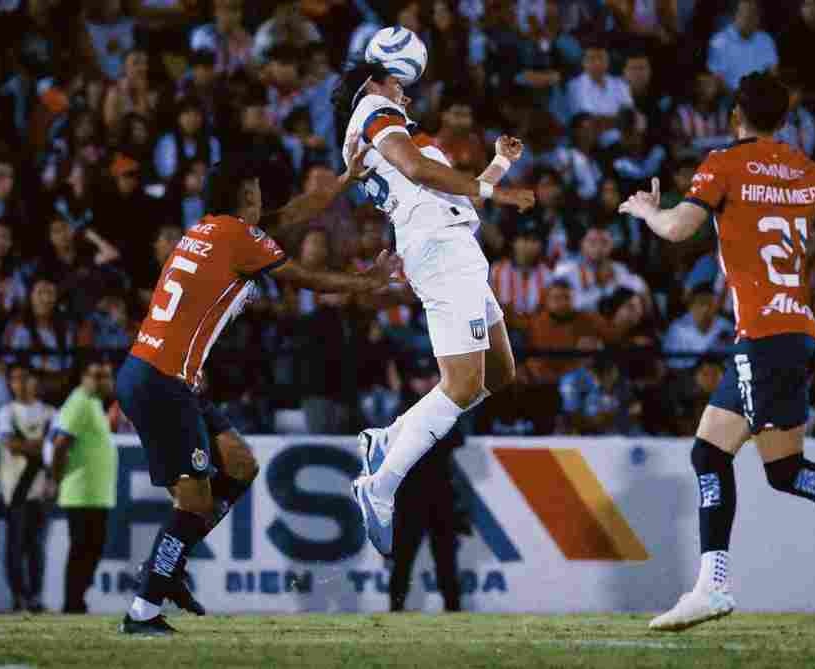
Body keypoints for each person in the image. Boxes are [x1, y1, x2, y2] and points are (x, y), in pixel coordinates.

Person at [618, 70, 815, 631]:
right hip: (798, 332)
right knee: (783, 470)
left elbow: (677, 229)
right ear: (786, 121)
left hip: (763, 337)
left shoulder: (722, 163)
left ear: (735, 115)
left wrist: (646, 211)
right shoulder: (807, 171)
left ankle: (713, 584)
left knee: (711, 456)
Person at [116, 141, 397, 635]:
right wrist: (367, 283)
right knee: (194, 503)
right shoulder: (237, 239)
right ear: (247, 194)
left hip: (162, 375)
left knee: (240, 466)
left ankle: (169, 565)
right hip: (162, 382)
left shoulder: (211, 231)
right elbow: (303, 278)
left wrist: (346, 180)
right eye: (259, 192)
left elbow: (290, 215)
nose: (265, 199)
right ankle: (143, 609)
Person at [331, 61, 535, 558]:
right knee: (462, 384)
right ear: (372, 86)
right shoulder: (376, 112)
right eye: (395, 81)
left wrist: (497, 166)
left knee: (500, 373)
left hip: (456, 246)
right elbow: (422, 172)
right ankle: (379, 487)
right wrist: (500, 191)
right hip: (442, 254)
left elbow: (453, 197)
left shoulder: (408, 139)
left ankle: (389, 436)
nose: (405, 90)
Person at [388, 356, 461, 613]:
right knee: (404, 557)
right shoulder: (404, 409)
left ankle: (453, 608)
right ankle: (395, 607)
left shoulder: (444, 407)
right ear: (412, 381)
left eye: (430, 376)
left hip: (440, 492)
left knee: (446, 558)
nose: (426, 382)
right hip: (412, 494)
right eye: (421, 377)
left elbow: (455, 439)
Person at [48, 361, 117, 614]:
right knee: (82, 550)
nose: (103, 381)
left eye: (107, 376)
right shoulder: (79, 401)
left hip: (94, 493)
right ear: (83, 377)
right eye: (97, 375)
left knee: (91, 549)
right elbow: (60, 444)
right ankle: (72, 604)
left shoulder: (93, 403)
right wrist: (56, 479)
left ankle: (77, 600)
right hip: (81, 492)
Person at [0, 365, 55, 613]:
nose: (19, 383)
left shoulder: (50, 412)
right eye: (14, 379)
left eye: (24, 378)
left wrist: (27, 445)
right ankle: (18, 597)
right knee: (15, 547)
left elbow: (56, 448)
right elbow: (11, 445)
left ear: (34, 382)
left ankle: (35, 597)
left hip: (40, 489)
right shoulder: (5, 412)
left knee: (36, 547)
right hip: (14, 489)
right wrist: (41, 446)